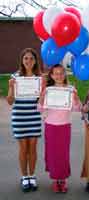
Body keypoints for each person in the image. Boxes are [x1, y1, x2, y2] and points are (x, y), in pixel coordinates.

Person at [38, 64, 81, 193]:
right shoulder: (48, 90)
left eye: (61, 73)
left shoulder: (70, 89)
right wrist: (42, 96)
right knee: (53, 154)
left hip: (64, 126)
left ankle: (63, 179)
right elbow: (40, 108)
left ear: (65, 74)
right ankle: (55, 180)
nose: (59, 75)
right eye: (56, 73)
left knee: (63, 154)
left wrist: (75, 97)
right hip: (50, 126)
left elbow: (77, 108)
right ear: (51, 75)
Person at [6, 48, 45, 192]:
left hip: (34, 117)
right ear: (22, 61)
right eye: (26, 58)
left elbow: (41, 102)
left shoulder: (39, 78)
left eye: (31, 58)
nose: (28, 61)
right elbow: (10, 101)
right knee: (23, 149)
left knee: (33, 149)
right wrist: (11, 87)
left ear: (35, 61)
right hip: (20, 117)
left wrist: (43, 89)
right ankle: (24, 177)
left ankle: (32, 175)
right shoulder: (15, 77)